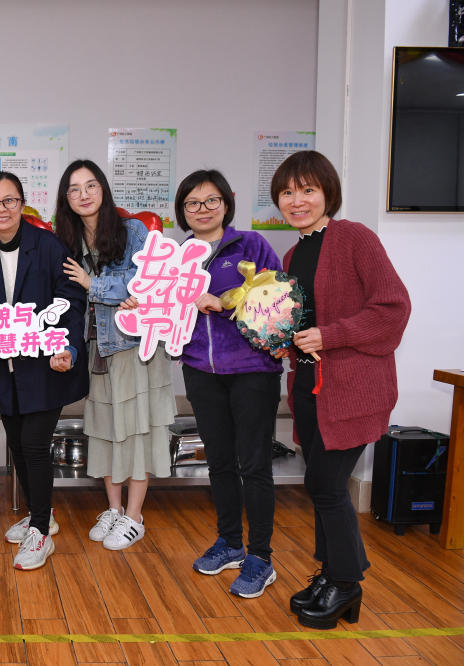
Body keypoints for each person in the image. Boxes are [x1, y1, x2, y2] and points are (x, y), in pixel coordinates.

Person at [271, 151, 410, 628]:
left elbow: (393, 308)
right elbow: (302, 323)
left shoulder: (354, 238)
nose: (297, 201)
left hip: (352, 391)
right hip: (309, 388)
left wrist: (330, 336)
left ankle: (347, 583)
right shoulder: (293, 255)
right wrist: (285, 343)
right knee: (323, 488)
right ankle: (331, 575)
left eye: (307, 190)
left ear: (328, 192)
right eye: (287, 192)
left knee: (325, 486)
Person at [162, 169, 284, 598]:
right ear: (182, 211)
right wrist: (142, 305)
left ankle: (261, 557)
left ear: (226, 204)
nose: (202, 209)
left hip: (252, 369)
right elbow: (166, 308)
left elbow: (278, 302)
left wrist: (225, 302)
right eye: (192, 203)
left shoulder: (251, 245)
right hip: (200, 369)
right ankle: (230, 543)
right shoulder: (177, 258)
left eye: (211, 200)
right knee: (219, 463)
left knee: (255, 465)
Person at [0, 171, 88, 570]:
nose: (1, 209)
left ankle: (40, 532)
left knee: (34, 444)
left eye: (9, 200)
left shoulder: (49, 246)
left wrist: (69, 347)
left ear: (22, 203)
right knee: (17, 444)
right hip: (6, 370)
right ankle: (44, 514)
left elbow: (71, 301)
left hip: (47, 364)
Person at [55, 159, 176, 551]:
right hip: (97, 349)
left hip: (135, 348)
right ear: (66, 198)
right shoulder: (67, 240)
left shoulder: (132, 230)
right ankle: (113, 508)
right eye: (74, 189)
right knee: (105, 431)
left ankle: (134, 517)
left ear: (103, 190)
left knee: (138, 432)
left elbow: (143, 283)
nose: (84, 194)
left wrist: (93, 284)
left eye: (91, 185)